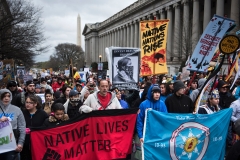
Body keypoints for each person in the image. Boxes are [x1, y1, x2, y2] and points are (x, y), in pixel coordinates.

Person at [0, 89, 26, 159]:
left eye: (8, 96)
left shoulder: (17, 110)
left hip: (13, 146)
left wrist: (20, 143)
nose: (6, 98)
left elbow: (22, 127)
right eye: (4, 96)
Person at [21, 95, 48, 160]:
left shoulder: (42, 114)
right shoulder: (22, 113)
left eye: (30, 103)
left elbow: (46, 127)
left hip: (38, 142)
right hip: (25, 143)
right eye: (26, 102)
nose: (28, 104)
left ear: (35, 104)